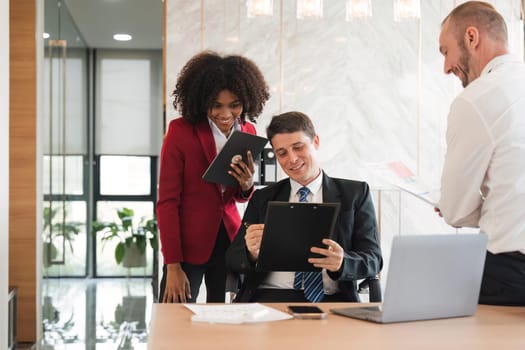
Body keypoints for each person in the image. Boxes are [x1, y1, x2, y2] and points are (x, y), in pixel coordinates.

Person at [225, 111, 382, 302]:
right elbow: (233, 258)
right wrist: (250, 253)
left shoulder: (355, 194)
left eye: (298, 147)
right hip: (269, 297)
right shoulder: (263, 198)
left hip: (331, 299)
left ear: (315, 142)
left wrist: (342, 262)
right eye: (282, 153)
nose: (291, 159)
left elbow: (373, 259)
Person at [157, 51, 270, 303]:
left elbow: (239, 198)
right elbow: (167, 202)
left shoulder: (248, 131)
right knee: (177, 322)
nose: (226, 113)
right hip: (187, 247)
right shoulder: (180, 131)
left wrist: (246, 186)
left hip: (229, 243)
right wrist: (173, 265)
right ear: (201, 99)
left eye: (234, 104)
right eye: (216, 105)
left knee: (226, 323)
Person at [437, 1, 525, 305]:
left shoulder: (476, 98)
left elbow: (455, 210)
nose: (446, 67)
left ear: (472, 37)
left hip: (511, 272)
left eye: (445, 51)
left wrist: (482, 208)